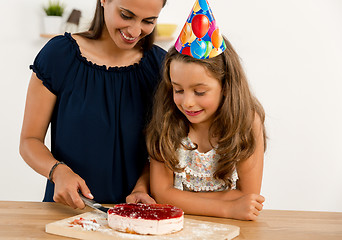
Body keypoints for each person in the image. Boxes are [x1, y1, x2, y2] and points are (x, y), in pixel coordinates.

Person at [19, 0, 167, 209]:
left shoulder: (161, 66)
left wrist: (142, 187)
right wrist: (58, 171)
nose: (135, 31)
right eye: (126, 15)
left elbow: (163, 150)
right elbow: (29, 141)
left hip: (136, 217)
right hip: (67, 213)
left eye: (149, 21)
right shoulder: (58, 56)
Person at [146, 0, 266, 221]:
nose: (188, 103)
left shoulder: (247, 122)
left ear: (226, 86)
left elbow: (249, 197)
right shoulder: (167, 117)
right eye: (178, 89)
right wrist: (229, 207)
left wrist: (180, 198)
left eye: (200, 92)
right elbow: (161, 194)